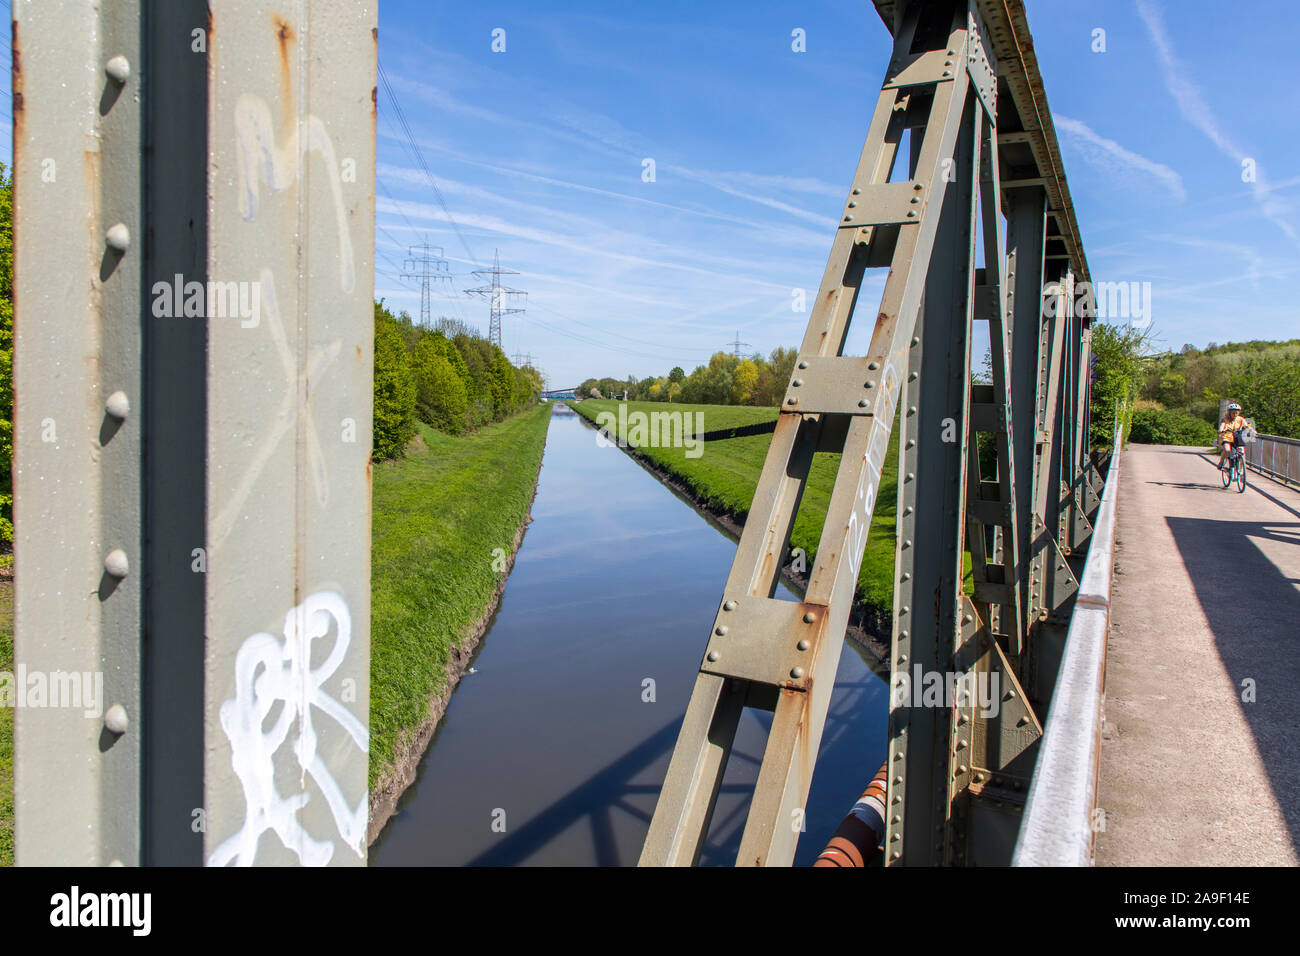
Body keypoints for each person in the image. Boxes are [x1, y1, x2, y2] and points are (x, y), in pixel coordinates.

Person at [1218, 402, 1255, 469]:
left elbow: (1246, 426)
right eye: (1233, 413)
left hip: (1237, 437)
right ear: (1229, 412)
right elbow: (1222, 426)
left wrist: (1251, 430)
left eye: (1236, 413)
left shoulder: (1240, 419)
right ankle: (1221, 462)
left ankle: (1240, 470)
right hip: (1227, 437)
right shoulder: (1225, 419)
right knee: (1227, 450)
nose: (1235, 414)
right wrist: (1221, 430)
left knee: (1242, 452)